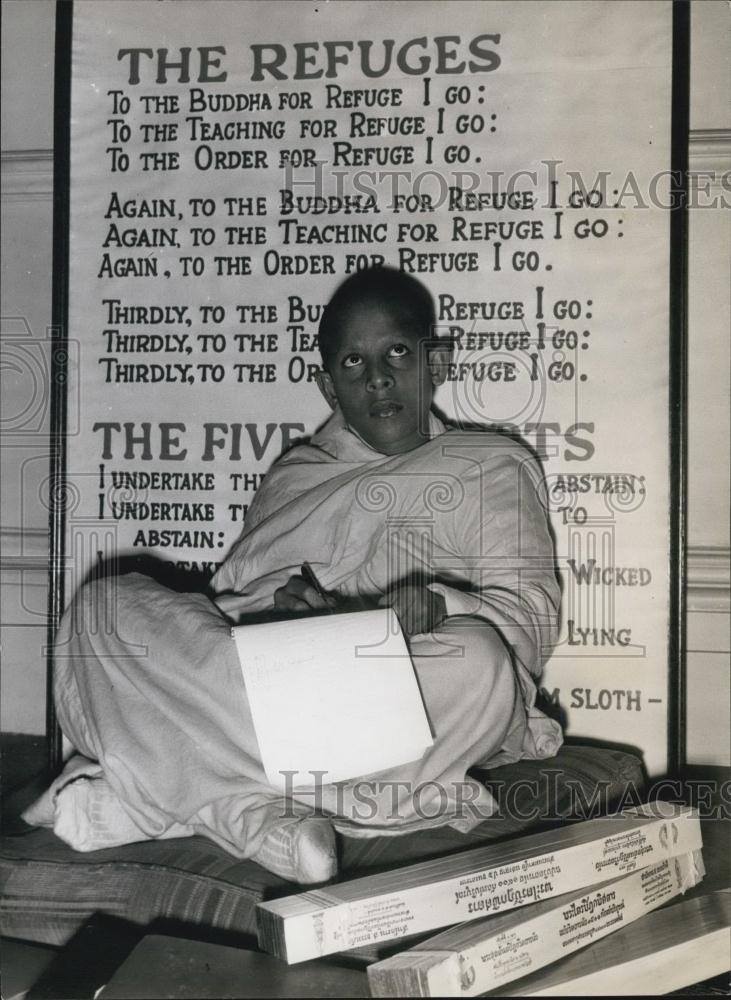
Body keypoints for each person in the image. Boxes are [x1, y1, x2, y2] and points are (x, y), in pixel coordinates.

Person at [25, 268, 563, 884]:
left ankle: (181, 795)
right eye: (353, 364)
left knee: (481, 662)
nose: (379, 378)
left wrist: (430, 605)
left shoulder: (491, 465)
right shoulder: (296, 472)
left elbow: (530, 625)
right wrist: (279, 620)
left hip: (374, 684)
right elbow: (222, 613)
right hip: (258, 677)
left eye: (396, 353)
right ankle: (249, 817)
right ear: (330, 388)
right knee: (100, 608)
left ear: (436, 363)